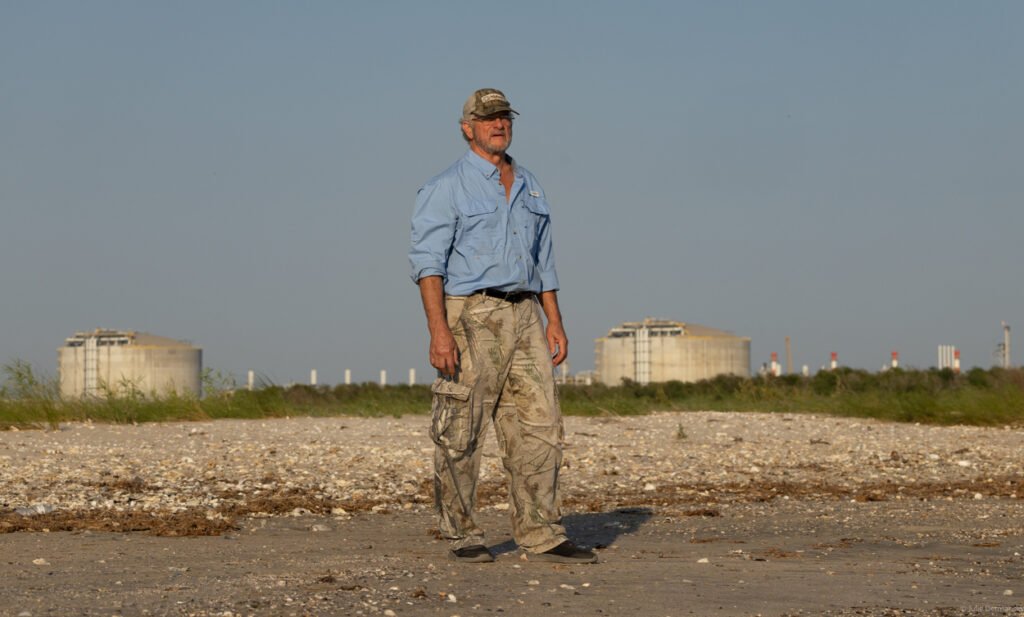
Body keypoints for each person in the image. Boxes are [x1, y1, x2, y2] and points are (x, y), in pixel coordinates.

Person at [408, 88, 596, 564]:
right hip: (471, 315)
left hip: (526, 314)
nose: (498, 124)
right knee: (461, 429)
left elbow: (544, 260)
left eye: (504, 117)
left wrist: (554, 320)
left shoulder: (530, 183)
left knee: (540, 425)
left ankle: (541, 531)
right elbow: (427, 264)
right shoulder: (445, 186)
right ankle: (463, 533)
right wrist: (438, 330)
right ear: (467, 126)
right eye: (487, 117)